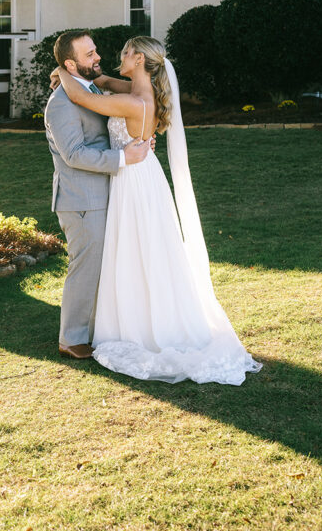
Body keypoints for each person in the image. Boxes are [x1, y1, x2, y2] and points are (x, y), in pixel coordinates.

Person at [54, 35, 261, 385]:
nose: (117, 56)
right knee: (144, 251)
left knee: (137, 250)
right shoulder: (138, 89)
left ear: (138, 59)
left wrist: (62, 71)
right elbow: (103, 82)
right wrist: (82, 72)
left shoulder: (134, 101)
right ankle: (137, 317)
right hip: (142, 174)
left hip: (133, 179)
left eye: (125, 52)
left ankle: (139, 324)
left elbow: (83, 97)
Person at [45, 30, 151, 360]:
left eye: (95, 51)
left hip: (105, 192)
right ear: (70, 64)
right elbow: (74, 154)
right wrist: (123, 157)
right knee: (86, 268)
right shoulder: (61, 104)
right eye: (89, 54)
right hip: (81, 200)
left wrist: (137, 138)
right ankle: (71, 339)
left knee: (105, 266)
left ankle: (95, 329)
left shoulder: (90, 89)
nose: (98, 57)